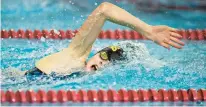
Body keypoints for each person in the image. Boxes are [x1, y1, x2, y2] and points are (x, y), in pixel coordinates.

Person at [25, 2, 184, 76]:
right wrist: (148, 30)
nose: (103, 62)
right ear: (96, 52)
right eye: (104, 55)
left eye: (110, 62)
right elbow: (104, 10)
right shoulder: (76, 54)